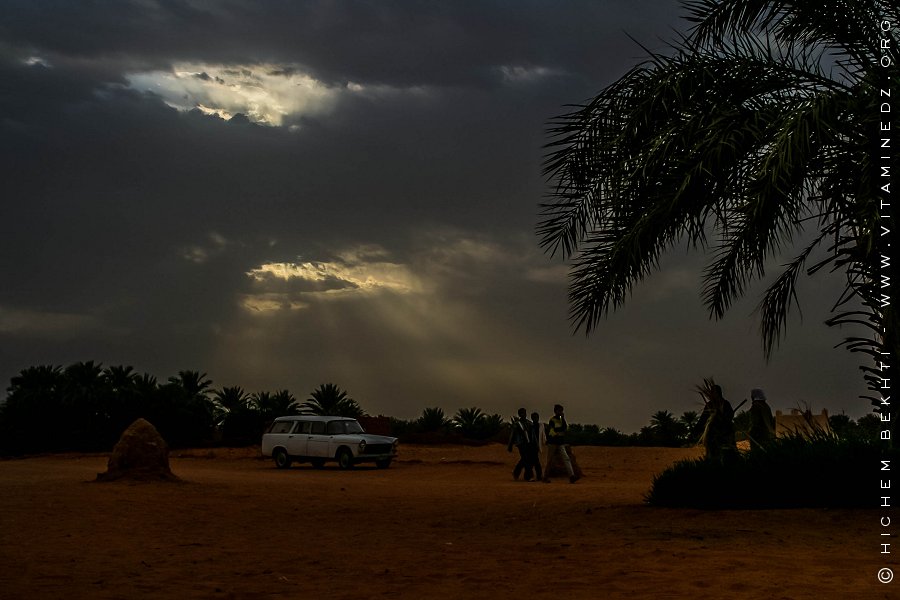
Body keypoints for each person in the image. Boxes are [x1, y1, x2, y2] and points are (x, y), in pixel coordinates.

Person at [700, 385, 737, 462]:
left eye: (714, 392)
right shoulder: (710, 405)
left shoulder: (725, 404)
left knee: (729, 455)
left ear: (718, 393)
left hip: (725, 435)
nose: (712, 394)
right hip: (714, 436)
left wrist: (722, 418)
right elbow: (703, 419)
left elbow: (730, 416)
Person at [543, 404, 578, 483]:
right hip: (553, 443)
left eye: (561, 411)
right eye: (559, 410)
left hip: (560, 443)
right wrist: (559, 432)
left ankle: (571, 476)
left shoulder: (561, 419)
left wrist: (563, 419)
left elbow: (565, 428)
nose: (560, 412)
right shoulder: (552, 420)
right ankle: (545, 476)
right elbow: (553, 431)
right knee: (550, 460)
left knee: (566, 458)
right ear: (555, 411)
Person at [507, 407, 533, 481]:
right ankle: (528, 476)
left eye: (524, 413)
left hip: (528, 443)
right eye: (522, 413)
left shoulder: (528, 423)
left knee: (525, 459)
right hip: (521, 443)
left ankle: (517, 472)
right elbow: (512, 435)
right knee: (525, 458)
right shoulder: (517, 424)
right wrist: (510, 445)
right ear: (519, 414)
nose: (523, 415)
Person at [527, 412, 545, 482]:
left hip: (536, 446)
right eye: (534, 418)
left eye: (536, 417)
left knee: (533, 461)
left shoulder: (540, 426)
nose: (536, 419)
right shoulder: (531, 426)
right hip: (531, 446)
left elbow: (543, 435)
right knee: (534, 461)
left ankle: (533, 475)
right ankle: (535, 475)